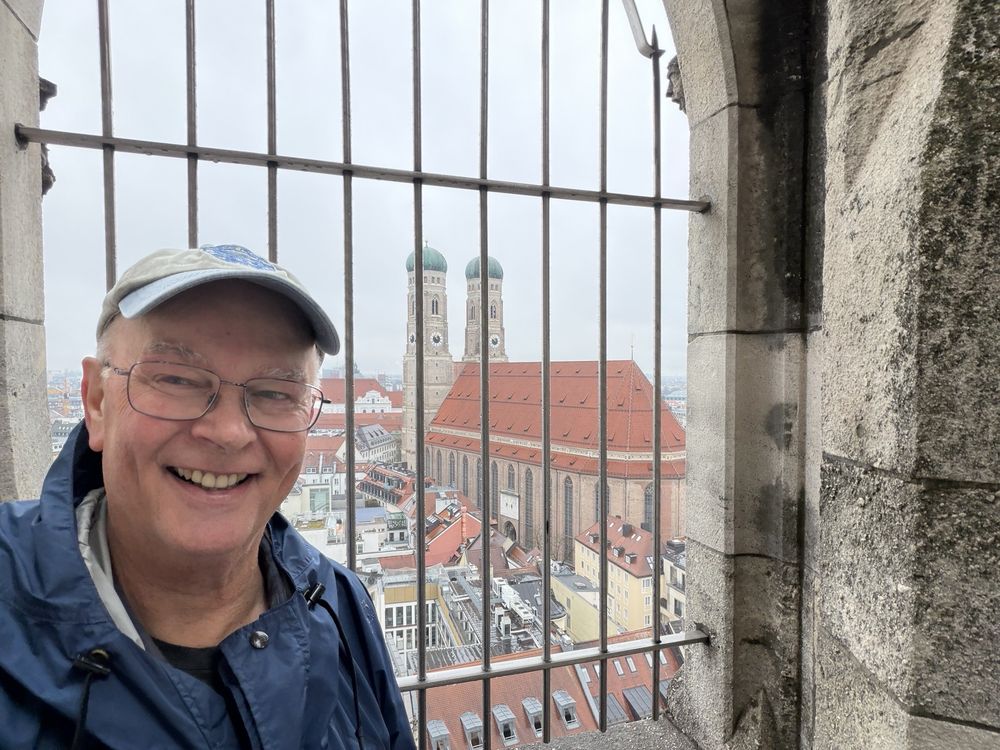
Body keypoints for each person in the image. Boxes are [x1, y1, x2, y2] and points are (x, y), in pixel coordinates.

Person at [0, 245, 415, 749]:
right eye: (175, 378)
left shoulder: (339, 603)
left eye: (275, 392)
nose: (228, 432)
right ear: (96, 402)